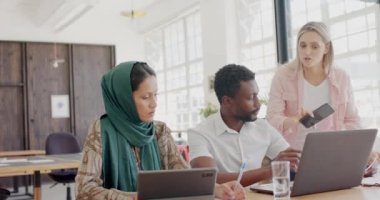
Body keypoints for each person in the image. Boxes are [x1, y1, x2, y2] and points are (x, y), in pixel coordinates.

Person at [75, 61, 246, 200]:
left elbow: (183, 174)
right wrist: (133, 198)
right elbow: (84, 189)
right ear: (124, 98)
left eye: (156, 95)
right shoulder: (101, 130)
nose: (154, 103)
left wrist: (216, 189)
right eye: (145, 97)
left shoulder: (159, 130)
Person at [266, 21, 377, 176]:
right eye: (302, 45)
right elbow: (271, 119)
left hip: (333, 158)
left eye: (314, 46)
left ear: (326, 48)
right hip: (295, 161)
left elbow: (352, 120)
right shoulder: (283, 76)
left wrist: (357, 148)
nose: (307, 52)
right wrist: (295, 119)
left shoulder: (341, 77)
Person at [188, 64, 301, 187]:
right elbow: (208, 179)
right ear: (227, 101)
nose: (258, 104)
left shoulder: (263, 127)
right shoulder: (200, 133)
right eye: (251, 97)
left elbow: (292, 160)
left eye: (257, 95)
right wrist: (270, 170)